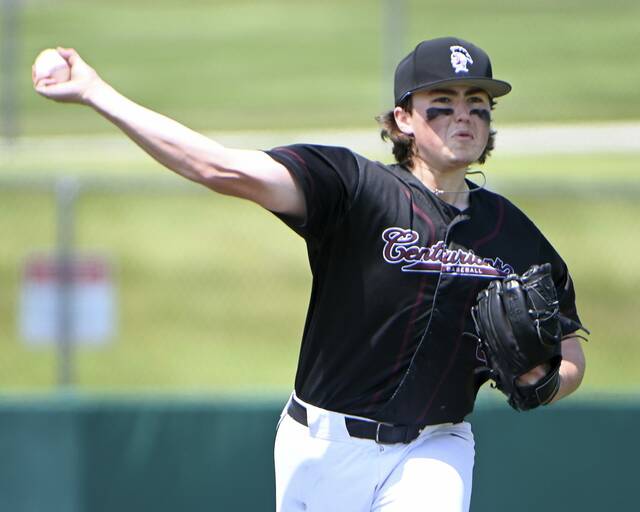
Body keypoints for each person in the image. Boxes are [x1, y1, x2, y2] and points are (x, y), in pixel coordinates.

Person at [34, 36, 586, 512]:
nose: (464, 115)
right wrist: (94, 93)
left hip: (435, 446)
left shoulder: (511, 234)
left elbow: (569, 353)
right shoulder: (353, 188)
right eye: (441, 103)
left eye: (478, 103)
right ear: (402, 119)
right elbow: (217, 167)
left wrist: (545, 384)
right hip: (324, 444)